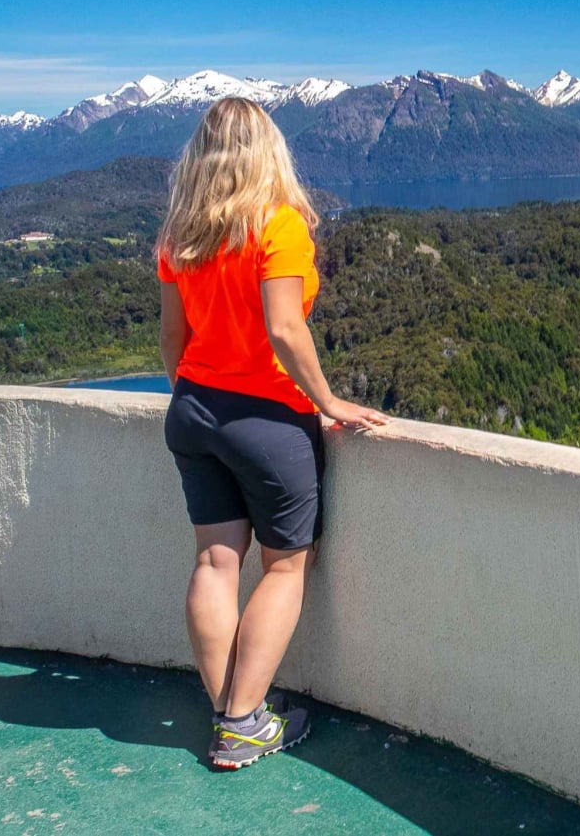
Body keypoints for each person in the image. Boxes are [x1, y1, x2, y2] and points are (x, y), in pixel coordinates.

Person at [155, 96, 390, 769]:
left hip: (193, 410)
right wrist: (328, 400)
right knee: (286, 565)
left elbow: (173, 339)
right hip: (267, 417)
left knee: (213, 562)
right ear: (270, 152)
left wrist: (199, 402)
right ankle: (241, 722)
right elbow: (286, 329)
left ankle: (234, 706)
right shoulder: (278, 225)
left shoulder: (180, 234)